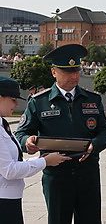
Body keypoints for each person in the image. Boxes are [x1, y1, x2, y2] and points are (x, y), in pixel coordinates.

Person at [15, 44, 106, 224]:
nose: (74, 76)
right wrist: (27, 142)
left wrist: (95, 145)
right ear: (54, 72)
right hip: (57, 176)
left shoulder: (93, 99)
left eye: (76, 71)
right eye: (67, 72)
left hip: (87, 174)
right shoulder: (39, 102)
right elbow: (21, 132)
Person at [0, 76, 70, 224]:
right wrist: (44, 161)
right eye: (13, 100)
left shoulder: (3, 124)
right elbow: (10, 171)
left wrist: (40, 159)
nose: (16, 104)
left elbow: (12, 162)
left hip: (9, 197)